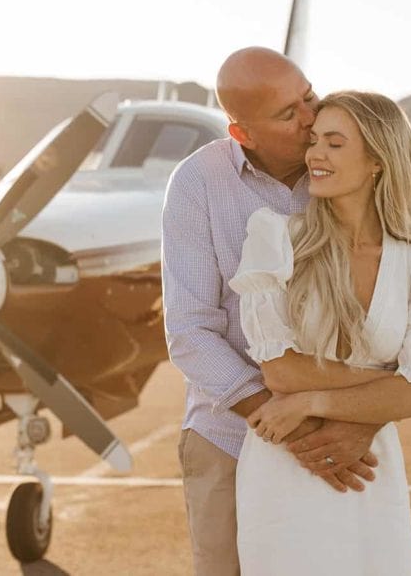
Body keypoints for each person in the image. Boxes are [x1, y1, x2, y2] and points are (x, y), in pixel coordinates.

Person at [162, 48, 384, 575]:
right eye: (288, 114)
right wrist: (292, 426)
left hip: (345, 441)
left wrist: (361, 425)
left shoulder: (358, 169)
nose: (311, 120)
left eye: (309, 96)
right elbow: (190, 332)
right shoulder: (197, 184)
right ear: (243, 135)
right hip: (228, 440)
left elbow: (393, 324)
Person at [229, 91, 411, 574]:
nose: (315, 154)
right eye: (314, 141)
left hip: (367, 465)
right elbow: (281, 372)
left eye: (334, 144)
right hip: (286, 468)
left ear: (377, 160)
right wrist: (387, 388)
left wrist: (312, 402)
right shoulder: (275, 238)